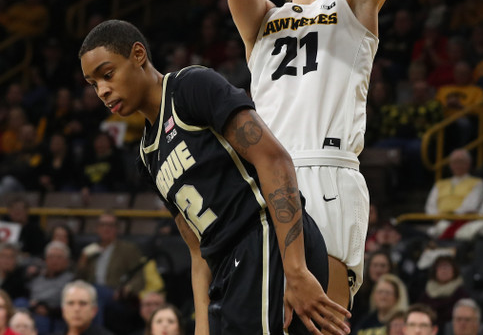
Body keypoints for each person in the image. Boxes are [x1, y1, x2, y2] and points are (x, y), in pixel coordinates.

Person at [225, 0, 429, 309]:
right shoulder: (261, 20)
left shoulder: (354, 1)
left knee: (326, 318)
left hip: (329, 169)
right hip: (266, 175)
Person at [78, 20, 349, 334]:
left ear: (138, 54)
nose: (102, 90)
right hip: (226, 266)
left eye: (107, 74)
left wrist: (296, 270)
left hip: (263, 238)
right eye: (93, 83)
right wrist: (202, 326)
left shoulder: (190, 87)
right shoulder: (146, 155)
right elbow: (197, 248)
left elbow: (274, 160)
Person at [416, 255, 470, 326]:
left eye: (447, 267)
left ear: (454, 271)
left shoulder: (461, 293)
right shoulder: (426, 293)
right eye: (441, 267)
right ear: (435, 271)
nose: (444, 270)